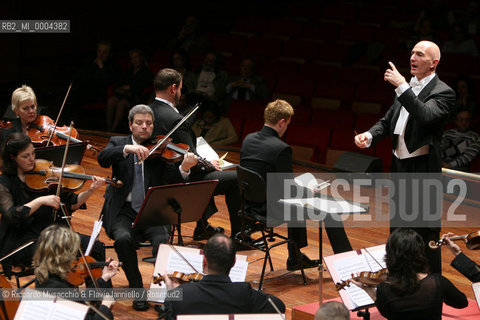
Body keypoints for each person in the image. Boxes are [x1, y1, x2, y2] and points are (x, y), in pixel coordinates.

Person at [354, 40, 456, 274]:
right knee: (398, 230)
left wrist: (401, 86)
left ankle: (432, 287)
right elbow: (390, 120)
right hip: (400, 168)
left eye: (419, 55)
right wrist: (369, 135)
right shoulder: (407, 89)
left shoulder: (444, 93)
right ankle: (397, 280)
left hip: (422, 170)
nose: (413, 57)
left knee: (425, 233)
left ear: (433, 64)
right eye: (412, 53)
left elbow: (426, 116)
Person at [97, 104, 197, 311]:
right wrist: (127, 149)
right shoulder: (119, 143)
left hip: (151, 209)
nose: (144, 127)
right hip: (123, 211)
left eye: (148, 123)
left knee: (162, 241)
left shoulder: (161, 147)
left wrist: (184, 168)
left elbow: (171, 178)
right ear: (130, 125)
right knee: (123, 239)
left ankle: (161, 294)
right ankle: (137, 289)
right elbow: (102, 158)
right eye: (139, 123)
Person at [241, 99, 352, 270]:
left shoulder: (248, 139)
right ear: (282, 122)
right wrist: (309, 190)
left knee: (298, 197)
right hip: (270, 210)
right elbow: (289, 189)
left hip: (249, 205)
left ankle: (295, 255)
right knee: (330, 210)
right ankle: (348, 262)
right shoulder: (280, 148)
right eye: (288, 124)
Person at [149, 68, 241, 242]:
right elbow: (190, 157)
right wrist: (208, 163)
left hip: (154, 176)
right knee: (235, 178)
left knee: (209, 172)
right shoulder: (175, 119)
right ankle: (239, 235)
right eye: (181, 89)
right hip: (177, 179)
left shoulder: (146, 112)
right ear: (173, 88)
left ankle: (203, 227)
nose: (180, 93)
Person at [0, 133, 106, 278]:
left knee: (95, 246)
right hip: (23, 241)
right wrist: (40, 201)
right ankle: (59, 297)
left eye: (33, 153)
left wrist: (91, 190)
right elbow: (12, 216)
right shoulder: (4, 182)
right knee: (59, 256)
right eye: (25, 156)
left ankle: (97, 297)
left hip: (50, 234)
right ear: (12, 157)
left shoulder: (45, 176)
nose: (32, 159)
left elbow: (72, 203)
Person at [163, 233, 285, 319]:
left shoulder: (182, 294)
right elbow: (279, 306)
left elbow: (170, 314)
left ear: (204, 261)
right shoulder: (244, 293)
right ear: (234, 262)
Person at [354, 228, 467, 320]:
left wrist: (367, 289)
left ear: (390, 255)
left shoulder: (384, 289)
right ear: (420, 253)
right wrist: (440, 294)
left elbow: (387, 313)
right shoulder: (437, 283)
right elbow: (461, 303)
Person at [33, 224, 119, 320]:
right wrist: (105, 306)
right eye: (73, 252)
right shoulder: (60, 288)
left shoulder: (46, 275)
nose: (75, 256)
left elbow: (78, 299)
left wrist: (104, 277)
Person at [68, 40, 121, 123]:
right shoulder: (90, 62)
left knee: (75, 92)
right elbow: (80, 76)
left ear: (110, 54)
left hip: (100, 94)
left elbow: (107, 82)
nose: (101, 54)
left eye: (105, 52)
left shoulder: (113, 65)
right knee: (72, 90)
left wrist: (101, 66)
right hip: (84, 92)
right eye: (99, 51)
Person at [106, 48, 154, 132]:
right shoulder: (128, 70)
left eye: (136, 57)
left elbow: (144, 86)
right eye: (132, 58)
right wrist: (122, 88)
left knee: (121, 104)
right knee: (111, 101)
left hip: (135, 97)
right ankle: (107, 127)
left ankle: (113, 129)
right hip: (122, 94)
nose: (134, 60)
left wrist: (130, 87)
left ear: (141, 58)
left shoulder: (146, 71)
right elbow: (119, 82)